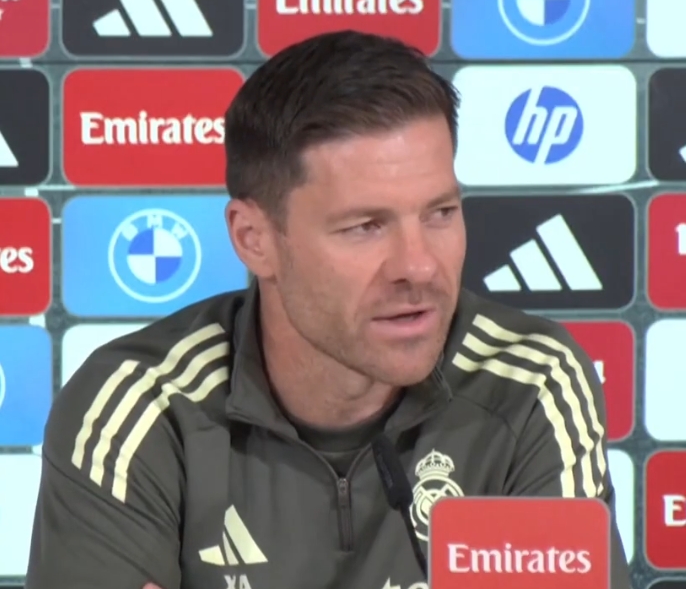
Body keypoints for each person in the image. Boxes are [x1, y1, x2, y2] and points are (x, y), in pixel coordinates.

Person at [25, 30, 630, 589]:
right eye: (365, 226)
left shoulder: (529, 383)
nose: (419, 266)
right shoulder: (141, 405)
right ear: (254, 240)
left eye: (440, 213)